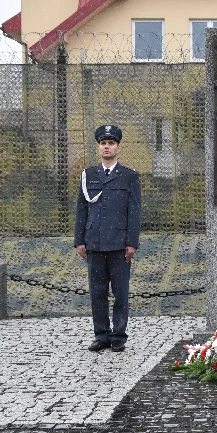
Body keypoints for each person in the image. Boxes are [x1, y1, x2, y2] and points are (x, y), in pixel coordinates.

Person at [74, 124, 142, 353]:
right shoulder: (88, 176)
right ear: (98, 147)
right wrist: (79, 240)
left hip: (119, 244)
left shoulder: (129, 176)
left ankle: (118, 335)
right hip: (94, 242)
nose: (106, 147)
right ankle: (101, 335)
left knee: (120, 292)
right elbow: (81, 209)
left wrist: (132, 242)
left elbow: (134, 211)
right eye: (103, 143)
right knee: (97, 292)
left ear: (118, 147)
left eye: (111, 143)